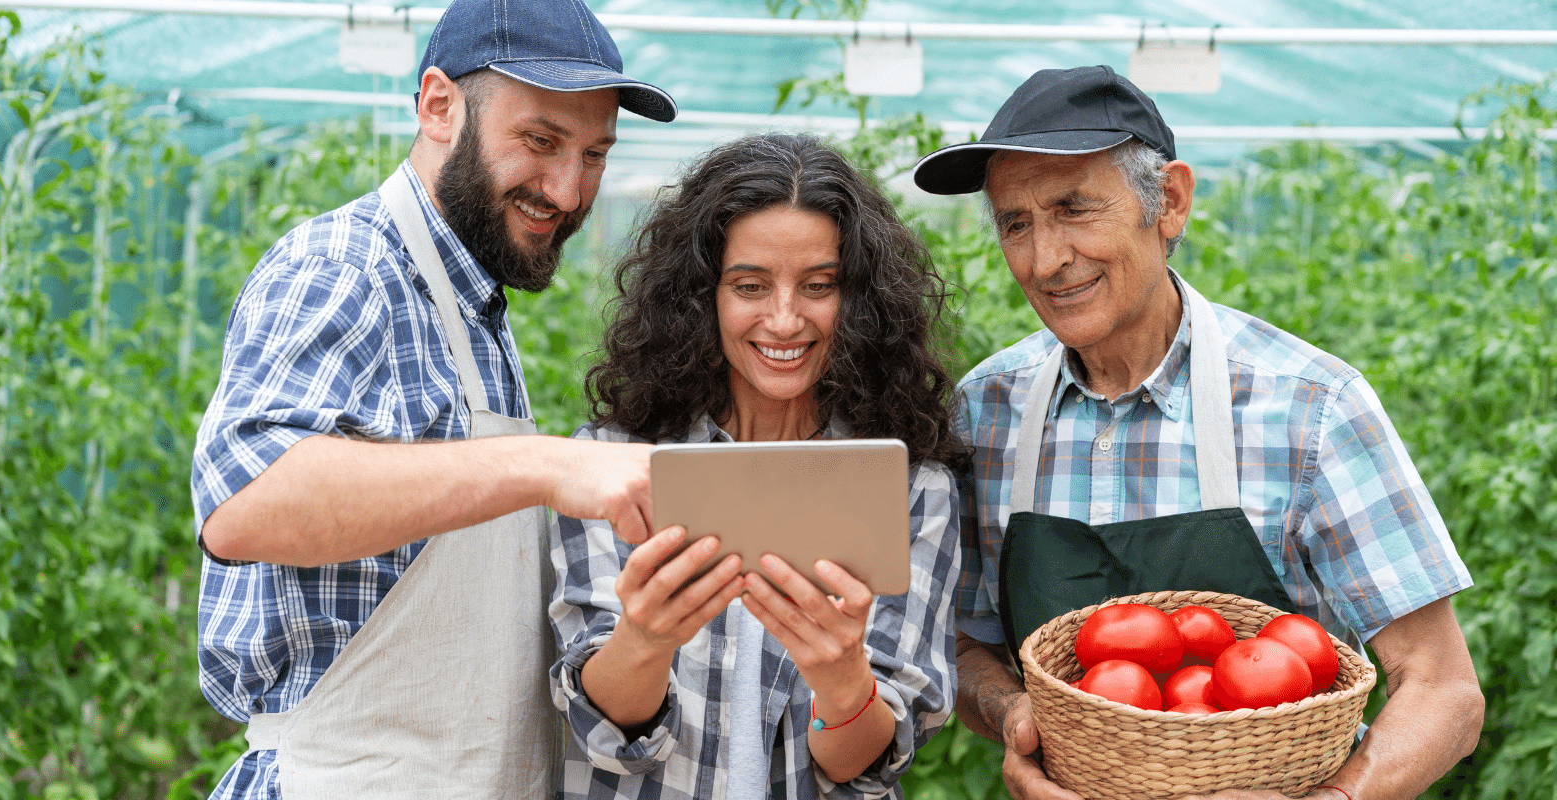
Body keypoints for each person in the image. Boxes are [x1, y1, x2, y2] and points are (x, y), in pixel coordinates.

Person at [910, 65, 1484, 800]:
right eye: (1015, 223)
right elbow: (961, 643)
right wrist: (1016, 710)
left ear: (1170, 202)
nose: (1045, 259)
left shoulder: (1310, 408)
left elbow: (1443, 691)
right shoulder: (985, 413)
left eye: (1073, 208)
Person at [188, 1, 678, 797]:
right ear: (439, 106)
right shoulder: (349, 265)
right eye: (540, 140)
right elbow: (247, 504)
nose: (566, 188)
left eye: (594, 154)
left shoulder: (469, 300)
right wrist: (544, 464)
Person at [547, 132, 966, 799]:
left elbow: (861, 767)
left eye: (819, 286)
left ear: (857, 300)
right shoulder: (617, 464)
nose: (783, 319)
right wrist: (643, 641)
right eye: (750, 285)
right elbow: (606, 737)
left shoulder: (910, 490)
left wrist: (842, 678)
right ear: (701, 296)